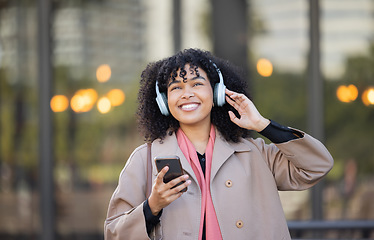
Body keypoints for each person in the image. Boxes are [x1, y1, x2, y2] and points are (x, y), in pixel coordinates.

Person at [104, 48, 334, 240]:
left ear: (216, 93)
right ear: (164, 102)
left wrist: (262, 125)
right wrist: (152, 205)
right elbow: (113, 233)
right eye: (176, 88)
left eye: (196, 84)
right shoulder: (144, 158)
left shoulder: (254, 153)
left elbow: (317, 166)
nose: (187, 94)